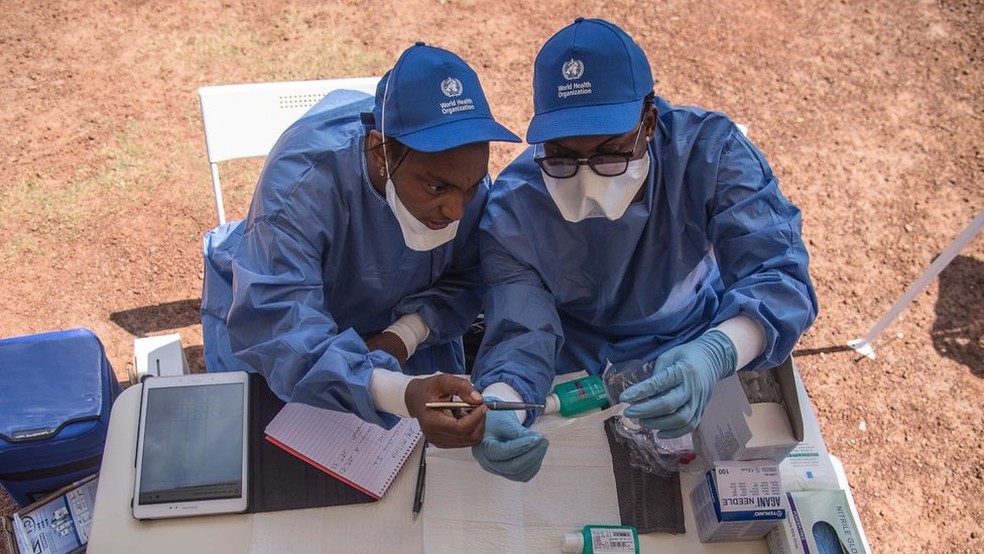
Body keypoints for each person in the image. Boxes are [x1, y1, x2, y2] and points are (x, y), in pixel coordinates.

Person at [470, 18, 818, 481]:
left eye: (611, 153)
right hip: (577, 353)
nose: (587, 180)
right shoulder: (516, 209)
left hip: (691, 337)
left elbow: (779, 277)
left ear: (649, 122)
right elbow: (521, 327)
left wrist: (716, 351)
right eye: (561, 155)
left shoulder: (710, 155)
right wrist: (505, 405)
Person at [201, 42, 521, 448]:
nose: (457, 210)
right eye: (436, 187)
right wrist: (399, 392)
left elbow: (466, 275)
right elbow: (287, 333)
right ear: (379, 151)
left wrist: (402, 336)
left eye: (472, 186)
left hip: (399, 331)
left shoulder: (460, 179)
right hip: (282, 325)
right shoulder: (300, 190)